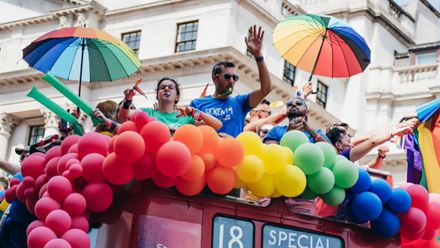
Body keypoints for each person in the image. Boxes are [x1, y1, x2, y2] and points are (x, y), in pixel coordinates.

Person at [189, 25, 272, 137]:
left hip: (231, 152)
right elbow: (192, 130)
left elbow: (266, 89)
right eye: (227, 77)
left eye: (235, 78)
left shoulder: (240, 102)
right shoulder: (197, 103)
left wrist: (258, 55)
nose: (232, 81)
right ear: (215, 78)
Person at [118, 77, 222, 132]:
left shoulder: (186, 118)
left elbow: (217, 125)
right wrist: (128, 99)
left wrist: (194, 111)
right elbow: (123, 116)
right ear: (157, 95)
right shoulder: (146, 113)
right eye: (162, 87)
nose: (166, 89)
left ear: (177, 97)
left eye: (170, 87)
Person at [326, 122, 415, 164]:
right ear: (338, 145)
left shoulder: (347, 159)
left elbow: (368, 168)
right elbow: (372, 141)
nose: (349, 136)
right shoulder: (343, 157)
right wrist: (394, 132)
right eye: (344, 134)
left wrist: (380, 156)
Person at [264, 97, 329, 144]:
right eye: (289, 104)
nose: (293, 105)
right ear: (286, 111)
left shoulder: (316, 132)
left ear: (307, 112)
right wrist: (288, 134)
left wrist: (311, 131)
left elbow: (332, 152)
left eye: (299, 103)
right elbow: (269, 151)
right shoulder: (276, 130)